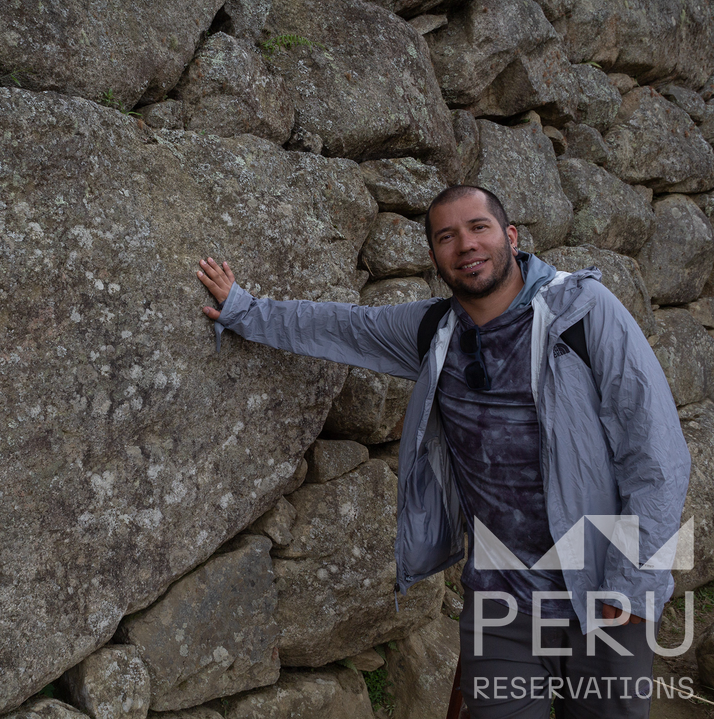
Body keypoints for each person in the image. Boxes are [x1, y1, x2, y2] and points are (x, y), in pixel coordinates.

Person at [197, 185, 690, 718]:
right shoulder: (434, 331)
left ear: (511, 236)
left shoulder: (585, 312)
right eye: (446, 236)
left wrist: (632, 587)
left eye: (478, 227)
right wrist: (244, 310)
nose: (465, 245)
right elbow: (342, 327)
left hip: (602, 594)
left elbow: (656, 459)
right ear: (434, 256)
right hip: (505, 602)